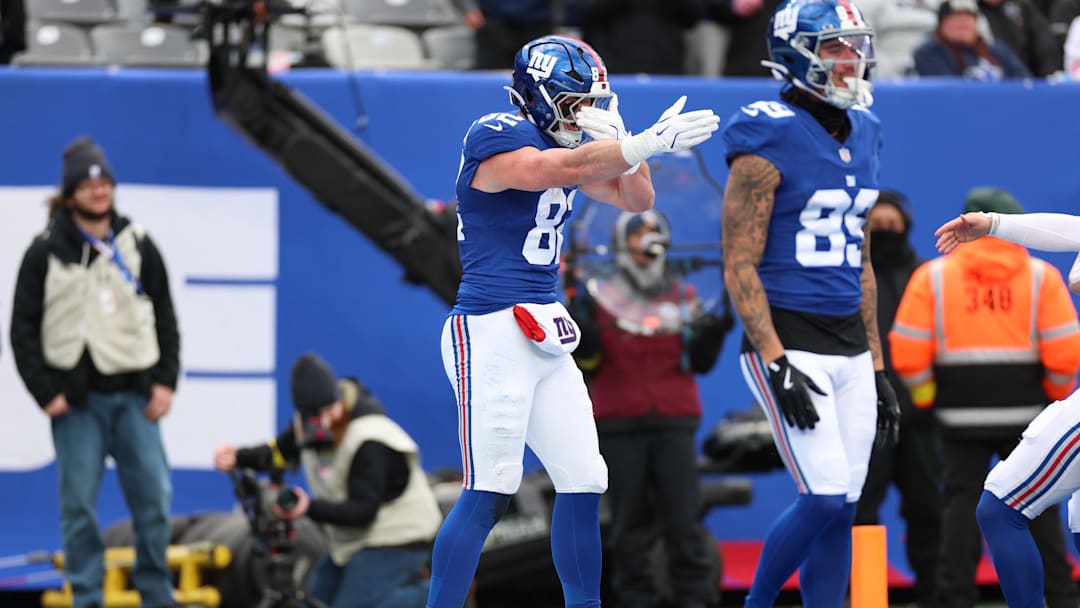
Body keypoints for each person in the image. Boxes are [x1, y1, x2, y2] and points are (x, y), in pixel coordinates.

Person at [425, 34, 719, 608]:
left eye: (591, 102)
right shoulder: (497, 135)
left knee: (585, 479)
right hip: (487, 326)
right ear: (538, 98)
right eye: (574, 104)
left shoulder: (580, 139)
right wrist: (643, 142)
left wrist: (627, 138)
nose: (582, 115)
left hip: (542, 328)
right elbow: (548, 169)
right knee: (491, 489)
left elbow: (636, 201)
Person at [718, 0, 901, 605]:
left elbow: (862, 259)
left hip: (849, 337)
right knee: (821, 495)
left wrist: (877, 365)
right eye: (835, 47)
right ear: (796, 53)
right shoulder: (767, 129)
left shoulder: (868, 130)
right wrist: (773, 359)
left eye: (855, 46)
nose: (851, 60)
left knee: (842, 508)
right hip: (790, 336)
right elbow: (739, 259)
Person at [10, 136, 180, 608]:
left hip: (135, 395)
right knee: (79, 509)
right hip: (78, 403)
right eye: (87, 185)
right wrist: (47, 393)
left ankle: (155, 592)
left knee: (154, 501)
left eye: (104, 181)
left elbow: (165, 314)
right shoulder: (44, 252)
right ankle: (87, 597)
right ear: (69, 195)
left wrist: (166, 380)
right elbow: (21, 330)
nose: (99, 191)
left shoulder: (138, 243)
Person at [890, 188, 1080, 608]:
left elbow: (907, 347)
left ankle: (954, 595)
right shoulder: (1039, 277)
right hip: (1029, 409)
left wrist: (926, 399)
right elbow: (1066, 350)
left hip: (959, 413)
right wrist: (1054, 399)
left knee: (964, 505)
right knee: (1043, 511)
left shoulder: (935, 276)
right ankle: (1063, 595)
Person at [571, 209, 731, 608]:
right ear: (623, 242)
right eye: (638, 231)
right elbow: (586, 363)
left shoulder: (684, 295)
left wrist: (714, 335)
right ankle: (635, 601)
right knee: (628, 527)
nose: (648, 238)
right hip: (618, 421)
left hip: (674, 421)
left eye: (655, 230)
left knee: (684, 523)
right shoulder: (599, 295)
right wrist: (583, 336)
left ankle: (695, 601)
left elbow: (700, 363)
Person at [213, 353, 442, 608]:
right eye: (314, 417)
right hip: (351, 543)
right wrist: (237, 457)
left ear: (338, 402)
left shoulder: (370, 439)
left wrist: (307, 508)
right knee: (313, 601)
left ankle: (444, 595)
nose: (324, 422)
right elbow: (277, 453)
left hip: (400, 537)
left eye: (329, 411)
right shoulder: (304, 427)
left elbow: (364, 511)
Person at [853, 190, 943, 606]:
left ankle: (935, 594)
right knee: (860, 512)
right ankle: (865, 596)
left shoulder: (929, 277)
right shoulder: (850, 276)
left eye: (892, 225)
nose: (885, 232)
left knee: (929, 511)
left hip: (923, 418)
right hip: (864, 418)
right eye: (877, 226)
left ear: (906, 227)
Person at [912, 0, 1032, 79]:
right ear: (942, 24)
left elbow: (1024, 82)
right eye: (957, 18)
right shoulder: (929, 52)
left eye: (969, 18)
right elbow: (948, 92)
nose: (965, 23)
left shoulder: (996, 49)